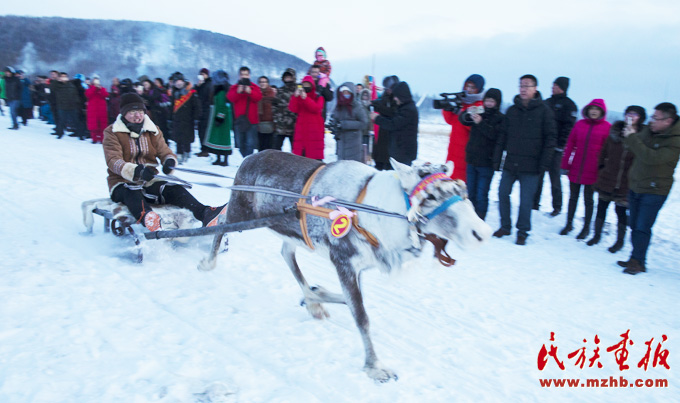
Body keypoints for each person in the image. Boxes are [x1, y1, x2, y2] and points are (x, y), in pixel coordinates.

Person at [103, 92, 227, 232]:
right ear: (124, 113)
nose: (137, 116)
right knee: (131, 191)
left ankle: (204, 213)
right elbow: (113, 160)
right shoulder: (112, 132)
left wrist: (169, 161)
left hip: (150, 180)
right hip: (121, 182)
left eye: (140, 112)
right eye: (132, 112)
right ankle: (149, 218)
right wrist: (135, 171)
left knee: (174, 188)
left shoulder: (153, 130)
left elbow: (164, 151)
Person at [493, 74, 557, 245]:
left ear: (535, 89)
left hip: (531, 166)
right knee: (502, 193)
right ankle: (505, 226)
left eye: (527, 86)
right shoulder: (512, 110)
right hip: (511, 163)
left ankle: (522, 231)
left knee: (525, 201)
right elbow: (502, 136)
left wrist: (543, 164)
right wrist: (497, 159)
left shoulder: (544, 112)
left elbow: (550, 140)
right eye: (521, 85)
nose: (523, 89)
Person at [617, 102, 680, 274]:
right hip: (636, 184)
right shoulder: (649, 130)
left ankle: (637, 261)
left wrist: (632, 138)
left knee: (642, 226)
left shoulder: (675, 140)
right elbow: (631, 146)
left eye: (655, 117)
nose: (651, 120)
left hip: (655, 190)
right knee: (634, 224)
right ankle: (635, 258)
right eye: (652, 116)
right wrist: (628, 133)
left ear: (668, 121)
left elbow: (652, 158)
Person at [588, 105, 644, 250]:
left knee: (621, 212)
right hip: (607, 178)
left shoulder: (642, 137)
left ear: (641, 118)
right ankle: (596, 235)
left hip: (626, 182)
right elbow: (603, 153)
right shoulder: (615, 132)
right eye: (628, 113)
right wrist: (602, 168)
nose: (630, 116)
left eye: (635, 114)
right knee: (601, 208)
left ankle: (619, 241)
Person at [559, 99, 611, 239]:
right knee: (573, 198)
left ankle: (586, 228)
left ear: (602, 112)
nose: (594, 111)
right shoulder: (579, 124)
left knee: (588, 200)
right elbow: (570, 144)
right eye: (592, 108)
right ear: (587, 110)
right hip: (576, 167)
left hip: (594, 170)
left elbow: (609, 152)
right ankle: (569, 224)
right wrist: (565, 164)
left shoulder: (607, 127)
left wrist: (604, 170)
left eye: (597, 109)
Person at [460, 88, 505, 220]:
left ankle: (480, 219)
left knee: (481, 194)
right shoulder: (479, 111)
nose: (489, 103)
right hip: (472, 159)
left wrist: (480, 123)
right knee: (470, 192)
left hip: (486, 162)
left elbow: (494, 135)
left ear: (497, 103)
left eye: (492, 101)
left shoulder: (500, 118)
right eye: (487, 100)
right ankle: (470, 218)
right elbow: (463, 120)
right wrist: (467, 112)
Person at [537, 77, 578, 215]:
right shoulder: (547, 102)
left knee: (554, 178)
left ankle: (557, 206)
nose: (552, 87)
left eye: (555, 85)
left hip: (556, 148)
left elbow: (569, 127)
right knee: (538, 175)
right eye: (553, 84)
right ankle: (534, 203)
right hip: (542, 145)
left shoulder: (569, 105)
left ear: (562, 88)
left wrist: (560, 144)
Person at [444, 74, 486, 181]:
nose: (469, 89)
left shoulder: (479, 105)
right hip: (453, 148)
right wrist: (447, 108)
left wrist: (461, 113)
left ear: (479, 89)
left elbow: (472, 127)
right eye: (467, 86)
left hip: (466, 150)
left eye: (472, 87)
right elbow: (450, 120)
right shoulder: (461, 102)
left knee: (461, 181)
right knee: (450, 178)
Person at [371, 81, 418, 166]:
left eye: (396, 96)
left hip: (404, 153)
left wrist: (377, 118)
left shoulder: (408, 110)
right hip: (399, 151)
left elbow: (393, 124)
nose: (395, 99)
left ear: (402, 96)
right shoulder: (403, 107)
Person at [227, 66, 262, 158]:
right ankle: (245, 159)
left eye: (246, 74)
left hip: (252, 121)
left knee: (250, 143)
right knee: (240, 143)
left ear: (249, 75)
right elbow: (230, 98)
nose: (244, 76)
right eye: (242, 75)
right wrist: (238, 92)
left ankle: (248, 161)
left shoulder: (254, 87)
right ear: (239, 76)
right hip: (239, 121)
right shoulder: (234, 87)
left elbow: (258, 97)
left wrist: (250, 92)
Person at [330, 82, 368, 162]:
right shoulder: (338, 106)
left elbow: (364, 123)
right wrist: (333, 125)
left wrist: (345, 124)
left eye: (348, 92)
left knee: (353, 166)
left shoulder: (357, 106)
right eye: (344, 92)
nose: (345, 95)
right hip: (341, 143)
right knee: (342, 165)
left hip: (354, 143)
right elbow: (335, 119)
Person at [289, 75, 325, 160]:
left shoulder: (318, 97)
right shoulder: (299, 98)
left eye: (308, 85)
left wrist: (306, 98)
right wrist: (295, 96)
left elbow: (316, 108)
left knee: (314, 155)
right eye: (304, 85)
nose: (306, 87)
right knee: (301, 156)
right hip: (302, 129)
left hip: (315, 130)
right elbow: (293, 108)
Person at [170, 72, 202, 163]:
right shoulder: (174, 93)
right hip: (177, 119)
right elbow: (171, 107)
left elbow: (196, 106)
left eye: (179, 81)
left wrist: (196, 118)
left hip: (188, 119)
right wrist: (170, 117)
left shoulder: (191, 92)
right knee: (178, 138)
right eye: (176, 82)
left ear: (183, 81)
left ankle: (187, 152)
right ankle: (179, 154)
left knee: (187, 137)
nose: (178, 83)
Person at [204, 70, 233, 166]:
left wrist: (220, 117)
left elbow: (224, 106)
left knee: (224, 137)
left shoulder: (223, 92)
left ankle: (225, 159)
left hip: (223, 118)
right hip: (218, 117)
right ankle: (219, 158)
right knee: (218, 137)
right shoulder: (220, 90)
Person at [371, 75, 400, 170]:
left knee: (390, 164)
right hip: (382, 133)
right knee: (379, 160)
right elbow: (381, 104)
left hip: (393, 137)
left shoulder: (398, 99)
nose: (388, 90)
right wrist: (374, 104)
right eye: (386, 88)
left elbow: (393, 112)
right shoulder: (385, 97)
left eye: (389, 88)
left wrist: (379, 108)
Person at [52, 72, 86, 140]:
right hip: (62, 106)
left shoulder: (71, 84)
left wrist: (77, 102)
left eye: (65, 76)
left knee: (76, 121)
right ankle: (60, 133)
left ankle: (80, 135)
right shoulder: (57, 85)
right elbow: (52, 88)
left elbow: (77, 92)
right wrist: (57, 81)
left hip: (72, 106)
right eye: (62, 76)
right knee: (61, 121)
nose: (64, 78)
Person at [272, 68, 298, 151]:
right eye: (286, 77)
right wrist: (276, 118)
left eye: (290, 77)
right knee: (276, 148)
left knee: (296, 149)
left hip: (294, 124)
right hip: (281, 124)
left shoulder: (298, 90)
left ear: (293, 78)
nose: (288, 79)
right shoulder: (280, 90)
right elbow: (274, 105)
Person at [85, 75, 109, 144]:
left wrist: (100, 89)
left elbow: (106, 95)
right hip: (92, 110)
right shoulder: (89, 89)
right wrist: (94, 88)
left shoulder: (102, 89)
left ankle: (102, 139)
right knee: (93, 125)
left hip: (102, 110)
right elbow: (88, 95)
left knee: (102, 125)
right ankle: (94, 139)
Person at [195, 68, 213, 157]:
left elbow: (206, 97)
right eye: (201, 74)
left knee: (204, 131)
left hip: (206, 110)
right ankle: (202, 148)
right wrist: (198, 86)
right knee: (200, 131)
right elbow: (196, 94)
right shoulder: (201, 84)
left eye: (204, 74)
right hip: (200, 110)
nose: (202, 76)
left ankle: (205, 149)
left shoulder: (209, 84)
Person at [257, 76, 276, 151]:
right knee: (260, 146)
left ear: (268, 83)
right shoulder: (256, 93)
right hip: (259, 123)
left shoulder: (272, 94)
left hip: (270, 123)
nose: (263, 83)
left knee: (269, 146)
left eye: (264, 82)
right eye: (261, 82)